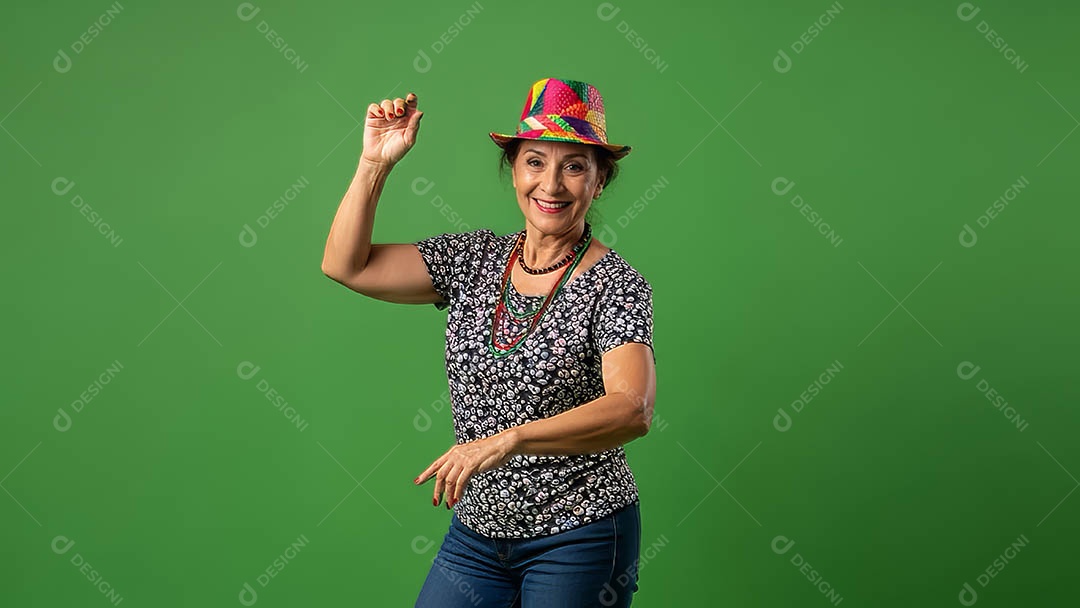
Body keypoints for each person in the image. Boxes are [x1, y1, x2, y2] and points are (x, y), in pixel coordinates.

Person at [321, 77, 656, 607]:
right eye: (535, 162)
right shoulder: (473, 260)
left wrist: (507, 440)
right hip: (477, 536)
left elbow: (630, 409)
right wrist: (375, 163)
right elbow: (346, 265)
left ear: (599, 182)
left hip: (581, 534)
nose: (552, 184)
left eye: (574, 166)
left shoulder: (616, 284)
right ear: (515, 170)